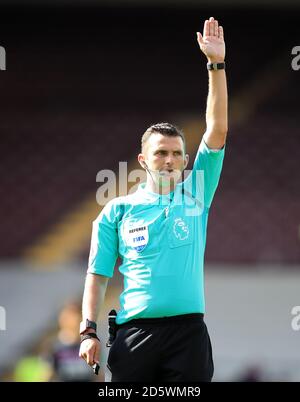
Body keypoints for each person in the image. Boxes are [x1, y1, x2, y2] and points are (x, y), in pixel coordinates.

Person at [79, 16, 227, 382]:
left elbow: (218, 128)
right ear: (144, 160)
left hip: (189, 334)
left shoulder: (196, 193)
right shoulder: (117, 210)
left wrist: (216, 64)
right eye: (161, 153)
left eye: (177, 153)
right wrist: (88, 331)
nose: (170, 160)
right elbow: (97, 276)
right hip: (135, 335)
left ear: (186, 160)